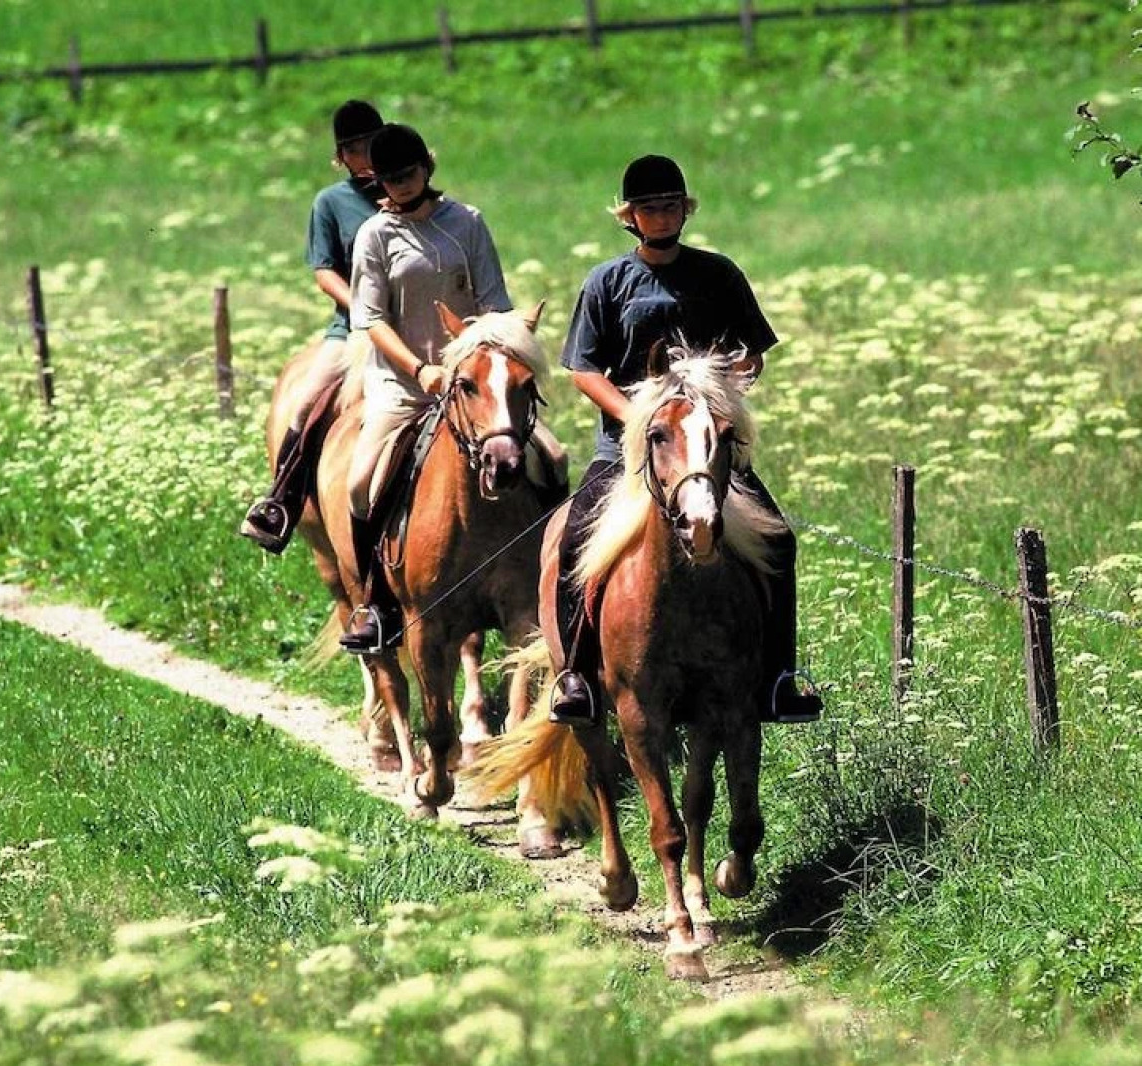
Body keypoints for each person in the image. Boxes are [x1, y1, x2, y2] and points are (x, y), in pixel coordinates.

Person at [549, 154, 823, 725]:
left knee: (778, 543)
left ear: (685, 209)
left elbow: (752, 352)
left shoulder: (719, 274)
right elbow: (583, 368)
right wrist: (636, 417)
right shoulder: (606, 282)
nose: (662, 215)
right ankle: (576, 675)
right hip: (627, 449)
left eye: (671, 205)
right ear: (630, 217)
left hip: (707, 448)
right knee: (575, 539)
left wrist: (728, 388)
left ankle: (779, 676)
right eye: (649, 208)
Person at [337, 122, 513, 654]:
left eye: (409, 174)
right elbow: (371, 320)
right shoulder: (375, 236)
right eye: (390, 180)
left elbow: (494, 304)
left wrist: (483, 362)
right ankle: (376, 601)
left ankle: (551, 580)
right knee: (361, 482)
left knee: (549, 458)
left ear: (427, 168)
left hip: (474, 382)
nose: (402, 186)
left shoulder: (468, 223)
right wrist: (420, 370)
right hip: (404, 383)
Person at [241, 99, 387, 554]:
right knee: (306, 404)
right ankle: (280, 502)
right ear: (341, 156)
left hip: (418, 330)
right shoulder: (331, 203)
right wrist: (362, 307)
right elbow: (324, 272)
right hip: (354, 331)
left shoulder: (408, 190)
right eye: (354, 149)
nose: (364, 156)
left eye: (370, 146)